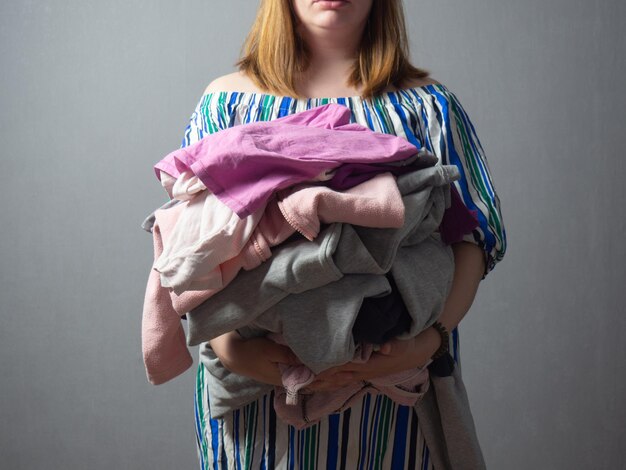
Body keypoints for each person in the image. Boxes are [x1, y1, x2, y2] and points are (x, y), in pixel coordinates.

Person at [185, 0, 507, 468]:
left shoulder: (429, 106)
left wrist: (429, 341)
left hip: (392, 395)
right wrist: (231, 349)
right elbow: (193, 242)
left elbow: (473, 237)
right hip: (259, 402)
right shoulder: (226, 103)